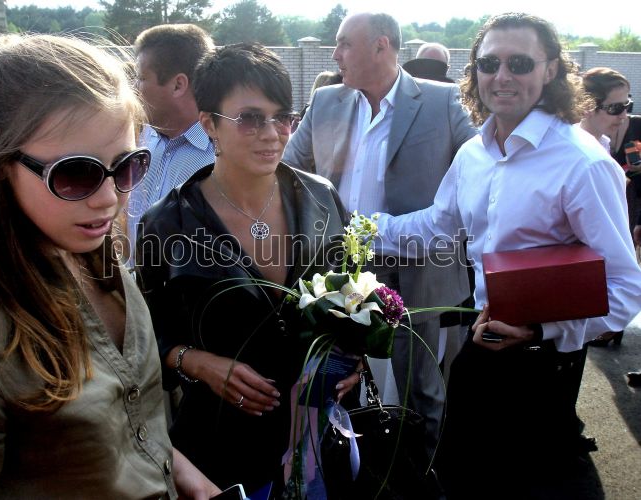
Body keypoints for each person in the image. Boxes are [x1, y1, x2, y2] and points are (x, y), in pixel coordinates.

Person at [0, 33, 220, 499]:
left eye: (128, 166)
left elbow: (131, 425)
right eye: (75, 173)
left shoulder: (100, 261)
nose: (110, 198)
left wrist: (187, 478)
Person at [375, 12, 641, 497]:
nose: (501, 76)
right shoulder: (473, 154)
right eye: (488, 63)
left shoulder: (582, 163)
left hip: (545, 366)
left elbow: (624, 289)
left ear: (551, 69)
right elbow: (438, 225)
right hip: (480, 350)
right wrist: (363, 228)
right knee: (461, 479)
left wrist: (540, 331)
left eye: (519, 63)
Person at [136, 43, 357, 494]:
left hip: (317, 439)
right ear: (209, 124)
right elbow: (144, 336)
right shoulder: (169, 222)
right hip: (220, 447)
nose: (272, 133)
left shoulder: (321, 198)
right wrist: (197, 362)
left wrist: (355, 357)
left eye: (283, 117)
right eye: (251, 118)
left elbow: (355, 292)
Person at [283, 11, 476, 456]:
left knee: (419, 391)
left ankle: (419, 472)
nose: (335, 55)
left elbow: (483, 167)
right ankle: (348, 466)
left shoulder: (442, 101)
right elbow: (289, 173)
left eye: (344, 43)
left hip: (418, 270)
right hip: (340, 275)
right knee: (337, 380)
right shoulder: (326, 101)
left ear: (381, 45)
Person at [127, 24, 216, 259]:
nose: (133, 89)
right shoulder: (138, 142)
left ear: (178, 85)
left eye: (140, 78)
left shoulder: (221, 157)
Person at [580, 67, 635, 348]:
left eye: (628, 105)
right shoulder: (580, 154)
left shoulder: (601, 144)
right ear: (587, 106)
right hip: (580, 275)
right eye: (616, 108)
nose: (624, 115)